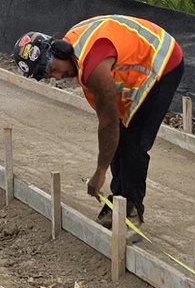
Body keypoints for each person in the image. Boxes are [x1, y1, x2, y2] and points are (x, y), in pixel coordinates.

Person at [14, 13, 185, 226]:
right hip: (135, 68)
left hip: (164, 60)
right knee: (121, 135)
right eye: (49, 76)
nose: (58, 77)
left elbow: (108, 122)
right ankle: (119, 202)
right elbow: (111, 129)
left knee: (134, 140)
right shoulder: (77, 57)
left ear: (59, 49)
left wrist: (100, 172)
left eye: (53, 69)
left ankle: (131, 210)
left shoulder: (93, 63)